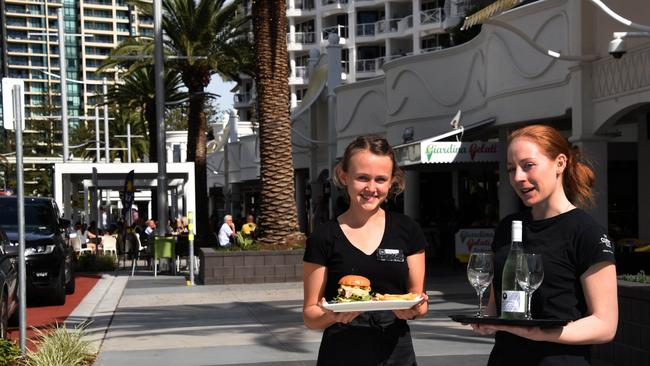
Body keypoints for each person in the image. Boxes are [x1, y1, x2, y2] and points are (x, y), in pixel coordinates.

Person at [471, 125, 617, 365]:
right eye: (511, 169)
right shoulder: (508, 228)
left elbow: (605, 325)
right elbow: (497, 304)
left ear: (559, 163)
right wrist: (486, 320)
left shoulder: (586, 233)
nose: (518, 177)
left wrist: (540, 333)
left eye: (528, 165)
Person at [303, 135, 429, 365]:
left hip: (396, 353)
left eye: (380, 179)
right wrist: (331, 316)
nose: (371, 188)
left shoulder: (408, 230)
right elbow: (311, 314)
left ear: (391, 182)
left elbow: (418, 298)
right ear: (344, 176)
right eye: (362, 178)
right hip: (342, 351)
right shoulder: (324, 236)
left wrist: (415, 309)